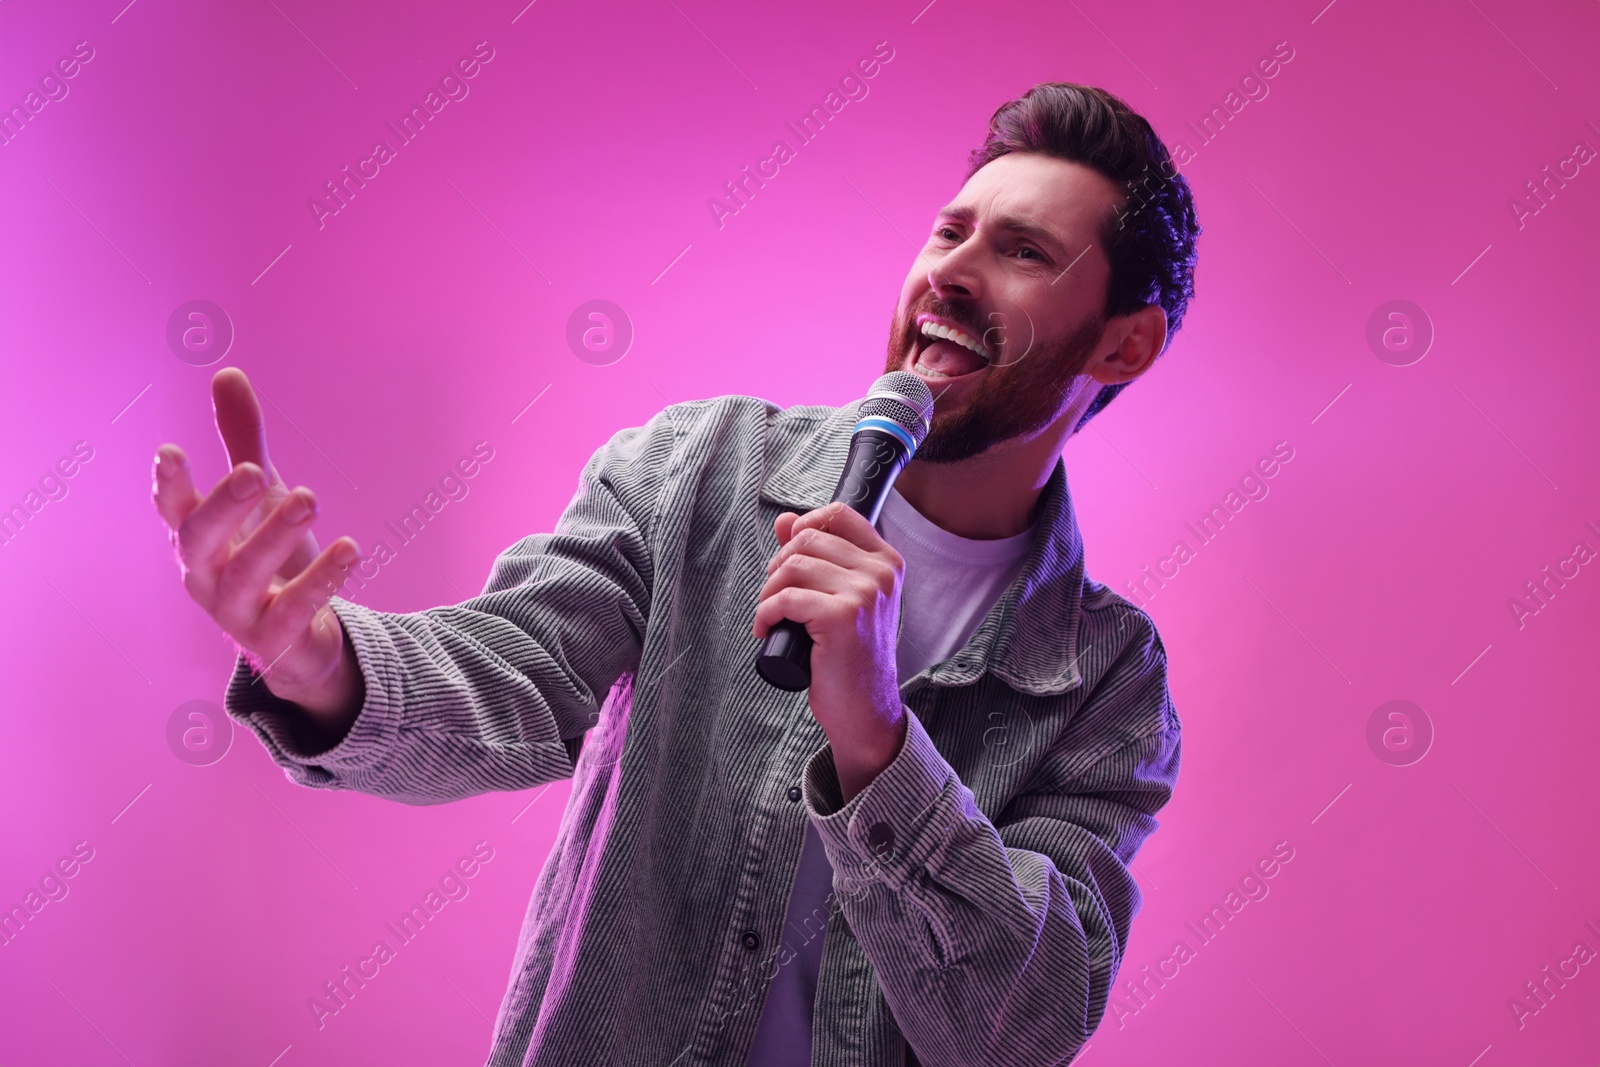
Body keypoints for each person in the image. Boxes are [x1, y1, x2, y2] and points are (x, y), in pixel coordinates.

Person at [150, 81, 1200, 1067]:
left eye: (1021, 251)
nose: (954, 271)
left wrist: (877, 740)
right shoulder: (697, 470)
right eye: (950, 230)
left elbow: (1018, 1025)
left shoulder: (1107, 680)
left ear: (1122, 346)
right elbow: (516, 670)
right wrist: (321, 656)